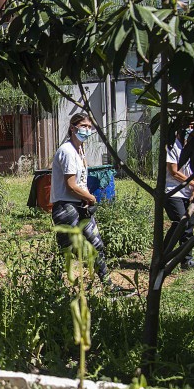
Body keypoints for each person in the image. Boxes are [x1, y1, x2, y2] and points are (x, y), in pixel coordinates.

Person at [50, 113, 125, 293]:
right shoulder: (67, 151)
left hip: (80, 205)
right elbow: (70, 185)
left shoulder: (79, 150)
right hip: (67, 207)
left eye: (89, 127)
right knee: (65, 250)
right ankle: (54, 287)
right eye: (83, 126)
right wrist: (91, 198)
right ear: (72, 128)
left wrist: (87, 198)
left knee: (96, 244)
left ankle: (107, 284)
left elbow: (80, 182)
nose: (87, 130)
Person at [164, 126, 194, 269]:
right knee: (179, 223)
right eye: (188, 126)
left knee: (189, 227)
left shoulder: (192, 146)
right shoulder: (171, 145)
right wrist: (193, 183)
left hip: (188, 192)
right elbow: (173, 171)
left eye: (193, 126)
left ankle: (186, 261)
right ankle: (163, 257)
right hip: (172, 191)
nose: (190, 129)